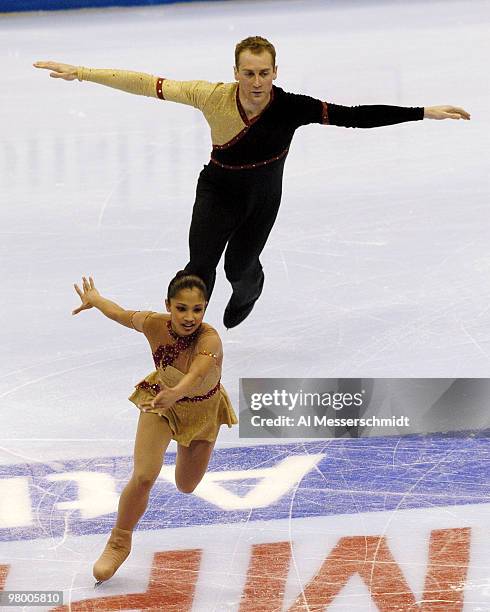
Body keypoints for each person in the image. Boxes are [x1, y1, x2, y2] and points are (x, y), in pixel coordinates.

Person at [36, 37, 470, 328]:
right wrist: (83, 71)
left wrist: (421, 111)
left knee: (238, 268)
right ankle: (184, 337)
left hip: (263, 197)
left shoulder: (292, 107)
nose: (257, 82)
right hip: (218, 190)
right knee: (198, 271)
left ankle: (251, 284)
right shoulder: (211, 95)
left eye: (264, 73)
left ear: (275, 71)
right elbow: (147, 83)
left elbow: (353, 115)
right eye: (248, 73)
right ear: (236, 71)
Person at [72, 272, 237, 584]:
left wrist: (178, 392)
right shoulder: (153, 323)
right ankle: (119, 541)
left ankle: (189, 443)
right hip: (159, 402)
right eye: (181, 308)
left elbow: (198, 371)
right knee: (145, 474)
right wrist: (96, 300)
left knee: (186, 485)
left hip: (201, 412)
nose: (190, 317)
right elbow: (120, 314)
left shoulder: (210, 339)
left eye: (197, 309)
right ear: (168, 306)